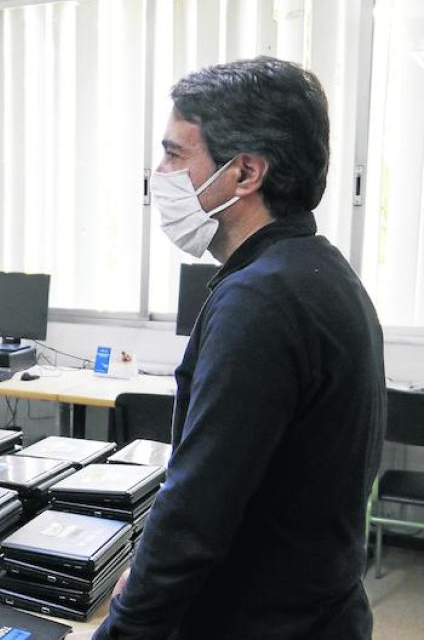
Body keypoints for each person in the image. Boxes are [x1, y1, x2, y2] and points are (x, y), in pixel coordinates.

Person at [90, 57, 385, 639]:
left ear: (244, 172)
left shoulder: (261, 299)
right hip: (317, 608)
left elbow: (197, 511)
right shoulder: (318, 269)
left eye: (175, 154)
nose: (159, 172)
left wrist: (120, 631)